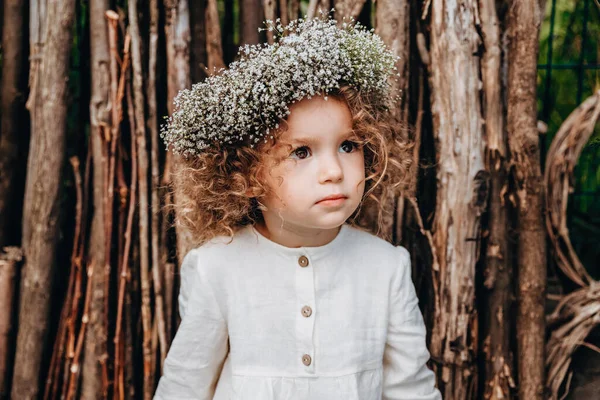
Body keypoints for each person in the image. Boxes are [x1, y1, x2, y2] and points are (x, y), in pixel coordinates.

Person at [154, 11, 442, 400]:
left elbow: (412, 390)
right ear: (247, 174)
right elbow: (185, 386)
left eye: (348, 146)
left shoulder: (385, 268)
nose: (333, 171)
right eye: (302, 152)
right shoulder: (217, 268)